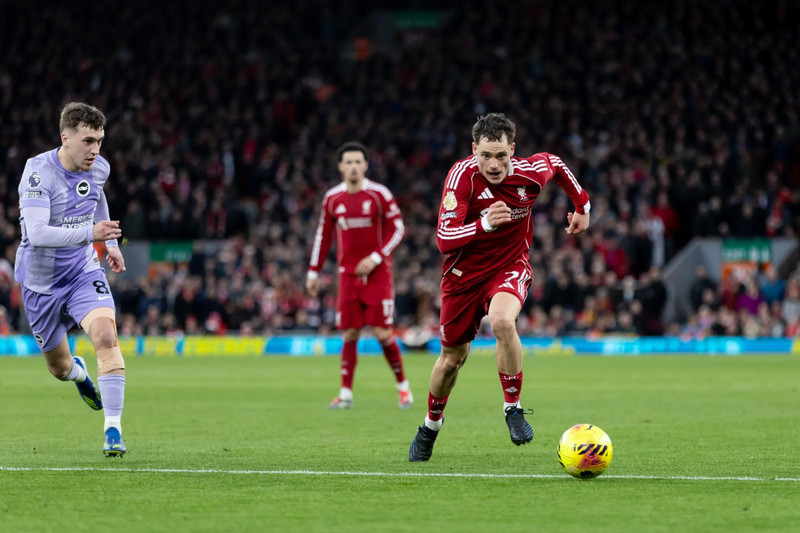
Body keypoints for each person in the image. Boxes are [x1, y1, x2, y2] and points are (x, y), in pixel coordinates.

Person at [408, 113, 591, 461]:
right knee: (451, 360)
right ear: (474, 149)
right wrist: (484, 224)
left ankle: (513, 409)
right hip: (462, 278)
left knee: (503, 321)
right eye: (486, 155)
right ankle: (430, 426)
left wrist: (583, 205)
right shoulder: (461, 177)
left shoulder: (529, 175)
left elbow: (555, 163)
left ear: (513, 150)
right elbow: (444, 239)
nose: (494, 164)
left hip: (509, 267)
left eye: (502, 155)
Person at [14, 102, 128, 457]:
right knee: (59, 368)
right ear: (66, 138)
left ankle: (113, 430)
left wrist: (110, 242)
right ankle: (79, 374)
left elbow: (97, 198)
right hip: (41, 283)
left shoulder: (99, 167)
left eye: (100, 141)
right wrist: (91, 233)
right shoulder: (37, 173)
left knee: (107, 335)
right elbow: (37, 233)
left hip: (81, 271)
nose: (95, 149)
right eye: (88, 140)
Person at [306, 142, 412, 409]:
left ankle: (404, 389)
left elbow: (398, 229)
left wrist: (376, 257)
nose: (353, 166)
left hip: (378, 275)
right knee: (350, 333)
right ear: (341, 166)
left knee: (382, 332)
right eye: (348, 162)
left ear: (366, 165)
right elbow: (323, 235)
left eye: (358, 162)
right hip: (348, 276)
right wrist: (313, 271)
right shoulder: (332, 198)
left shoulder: (379, 194)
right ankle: (345, 395)